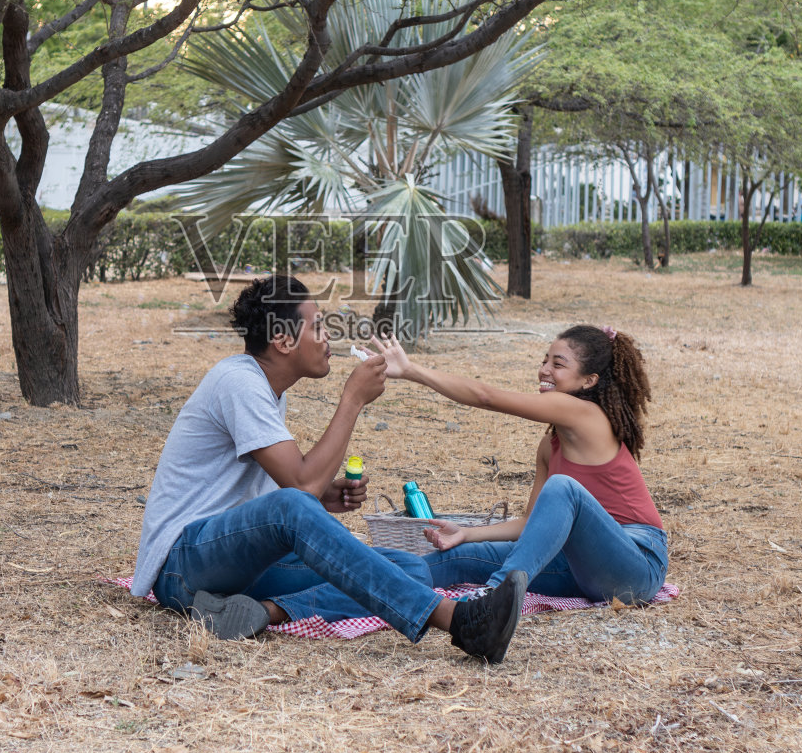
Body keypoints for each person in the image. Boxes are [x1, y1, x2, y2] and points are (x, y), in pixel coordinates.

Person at [131, 274, 525, 665]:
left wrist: (322, 494)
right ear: (283, 340)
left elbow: (292, 487)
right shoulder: (239, 382)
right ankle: (458, 621)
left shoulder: (267, 389)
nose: (327, 338)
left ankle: (262, 612)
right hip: (183, 565)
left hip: (234, 571)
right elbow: (299, 487)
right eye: (317, 326)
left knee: (409, 570)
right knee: (295, 506)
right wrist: (352, 400)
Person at [258, 323, 666, 623]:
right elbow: (529, 523)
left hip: (635, 566)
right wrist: (466, 533)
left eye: (558, 365)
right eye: (544, 360)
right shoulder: (551, 443)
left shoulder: (585, 414)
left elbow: (487, 397)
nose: (544, 370)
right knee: (435, 561)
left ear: (589, 381)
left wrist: (413, 371)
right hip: (579, 567)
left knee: (564, 488)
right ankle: (279, 606)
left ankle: (494, 601)